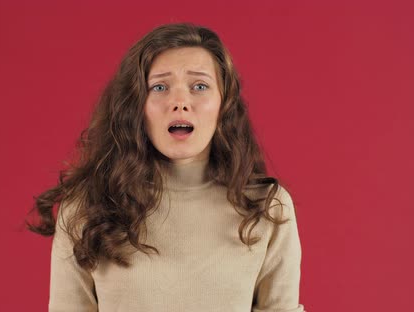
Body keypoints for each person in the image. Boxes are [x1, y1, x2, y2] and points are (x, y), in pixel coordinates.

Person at [26, 22, 305, 312]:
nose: (180, 102)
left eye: (199, 86)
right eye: (159, 87)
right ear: (136, 105)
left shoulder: (266, 208)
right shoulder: (87, 207)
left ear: (224, 104)